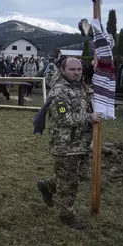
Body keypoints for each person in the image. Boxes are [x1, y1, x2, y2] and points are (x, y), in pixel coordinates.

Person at [36, 57, 100, 229]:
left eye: (79, 70)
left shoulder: (80, 87)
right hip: (66, 145)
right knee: (70, 183)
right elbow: (65, 118)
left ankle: (48, 185)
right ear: (62, 71)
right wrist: (89, 118)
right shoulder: (59, 92)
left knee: (78, 176)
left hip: (82, 142)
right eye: (72, 70)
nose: (76, 73)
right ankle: (67, 215)